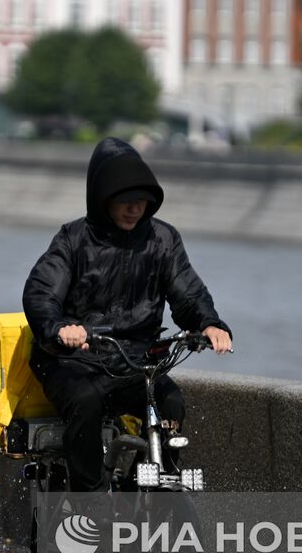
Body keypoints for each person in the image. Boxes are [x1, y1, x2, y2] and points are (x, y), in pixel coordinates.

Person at [22, 137, 233, 493]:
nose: (135, 210)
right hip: (74, 361)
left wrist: (208, 323)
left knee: (171, 402)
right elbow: (41, 293)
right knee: (85, 402)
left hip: (135, 364)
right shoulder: (73, 240)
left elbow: (187, 291)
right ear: (103, 198)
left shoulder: (162, 239)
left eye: (141, 202)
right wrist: (60, 328)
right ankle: (89, 498)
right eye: (125, 202)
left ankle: (141, 490)